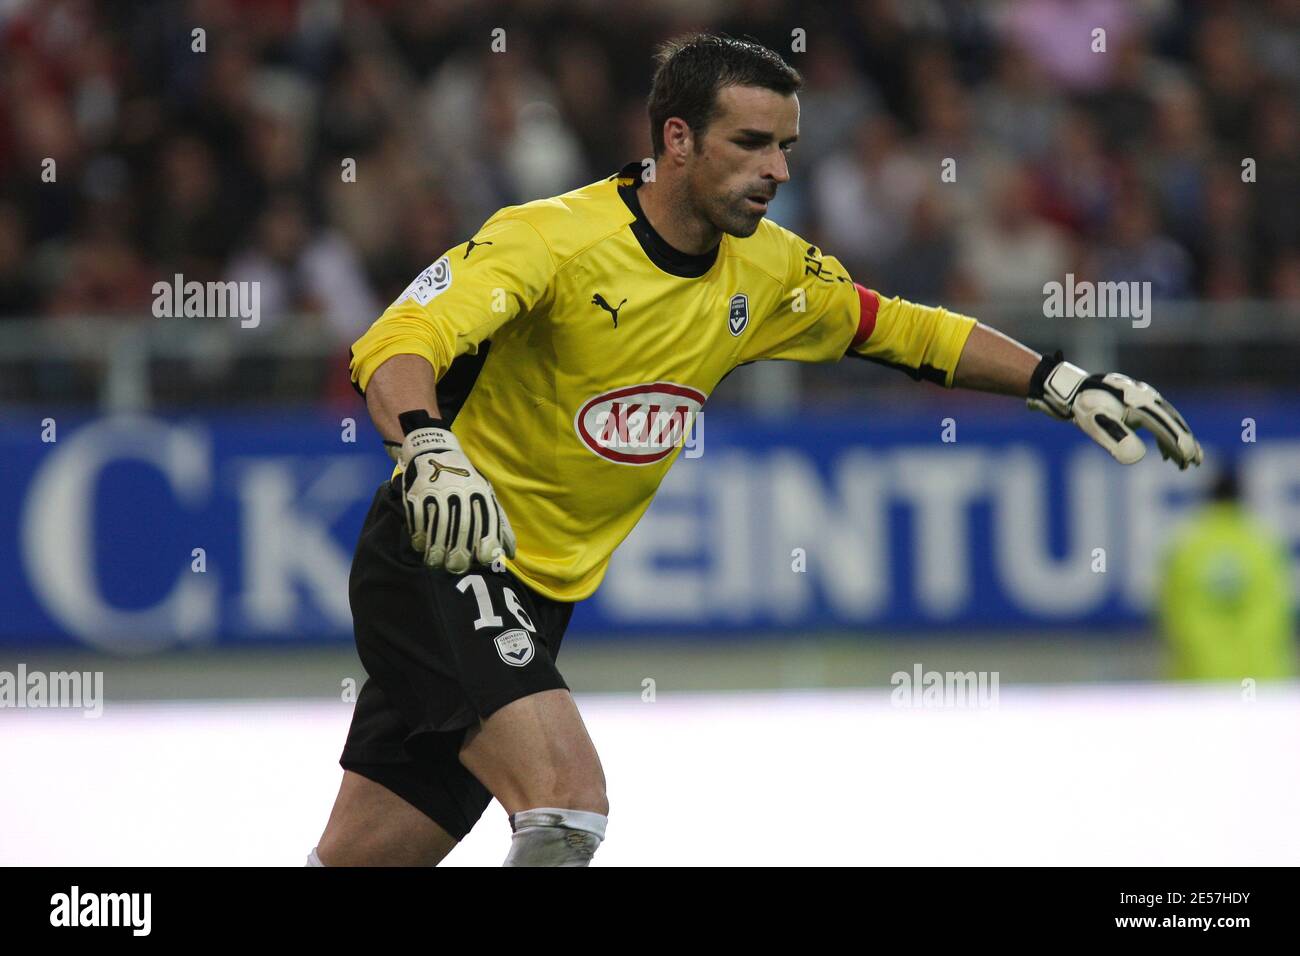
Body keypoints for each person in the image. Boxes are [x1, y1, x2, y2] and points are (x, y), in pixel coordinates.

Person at [309, 34, 1203, 867]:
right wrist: (429, 447)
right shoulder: (551, 239)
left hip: (541, 596)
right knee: (568, 805)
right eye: (751, 142)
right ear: (678, 140)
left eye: (786, 147)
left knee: (365, 856)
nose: (777, 169)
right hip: (447, 554)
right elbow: (397, 340)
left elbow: (901, 329)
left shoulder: (770, 270)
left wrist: (1056, 381)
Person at [1159, 465, 1296, 681]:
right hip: (1262, 679)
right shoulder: (1263, 545)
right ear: (1243, 498)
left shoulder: (1186, 549)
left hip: (1200, 682)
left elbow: (1170, 613)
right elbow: (1280, 610)